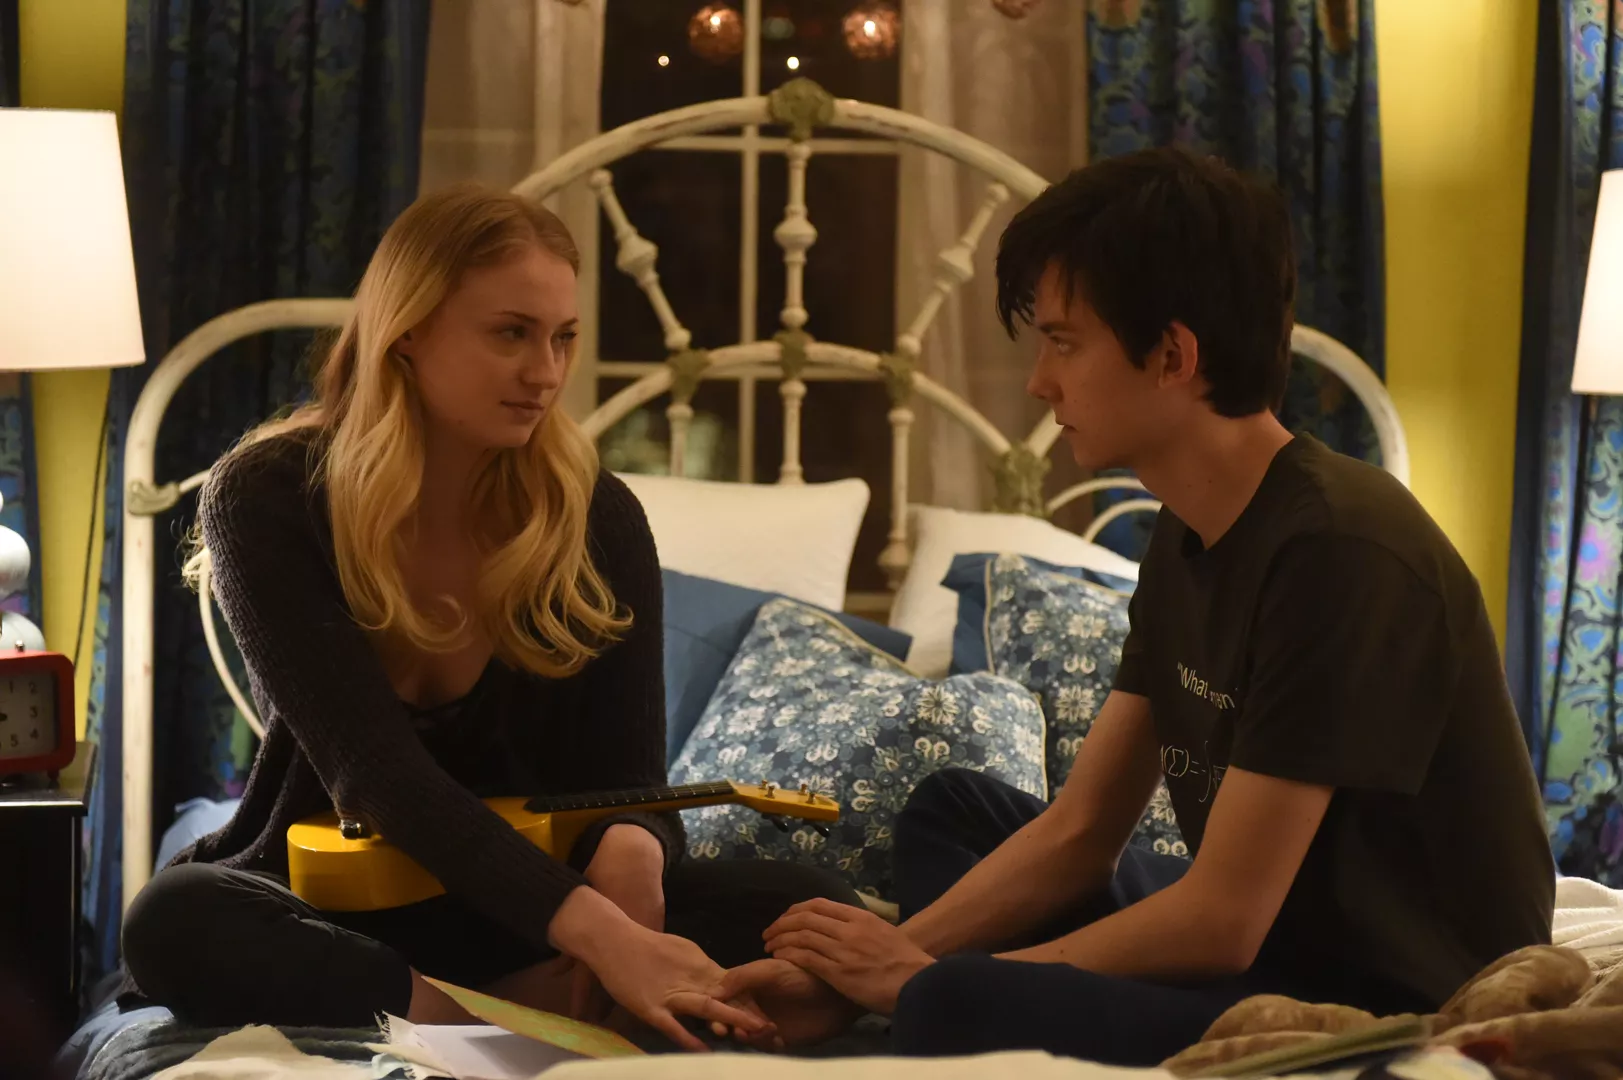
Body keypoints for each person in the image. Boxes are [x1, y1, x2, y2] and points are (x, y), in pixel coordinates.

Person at [721, 147, 1556, 1064]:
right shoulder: (1186, 529)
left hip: (1369, 992)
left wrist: (924, 982)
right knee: (950, 809)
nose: (1040, 381)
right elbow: (1084, 830)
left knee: (953, 1000)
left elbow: (1223, 921)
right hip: (1271, 934)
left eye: (1063, 342)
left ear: (1172, 356)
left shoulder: (1339, 548)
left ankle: (932, 1009)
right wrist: (877, 969)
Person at [119, 183, 861, 1050]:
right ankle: (492, 1015)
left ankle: (517, 996)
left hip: (538, 912)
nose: (545, 372)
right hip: (340, 907)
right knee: (174, 917)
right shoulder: (270, 496)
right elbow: (378, 776)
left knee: (815, 912)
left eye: (563, 337)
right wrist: (608, 940)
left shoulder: (596, 515)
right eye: (511, 333)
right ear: (407, 331)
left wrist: (635, 851)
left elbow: (629, 781)